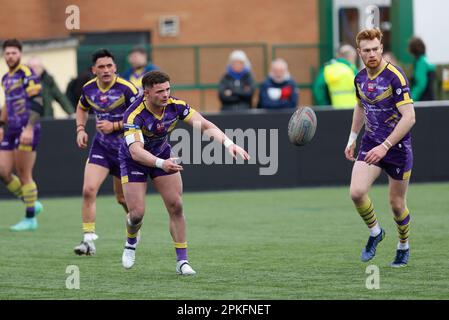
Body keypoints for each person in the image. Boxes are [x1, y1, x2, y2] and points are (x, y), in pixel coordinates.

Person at [119, 70, 250, 275]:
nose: (165, 94)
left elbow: (205, 125)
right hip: (134, 161)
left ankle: (182, 262)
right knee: (136, 214)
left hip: (163, 155)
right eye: (160, 91)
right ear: (146, 93)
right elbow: (136, 152)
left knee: (176, 205)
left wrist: (228, 143)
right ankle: (131, 241)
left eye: (168, 89)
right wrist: (161, 164)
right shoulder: (133, 114)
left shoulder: (176, 106)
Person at [345, 28, 416, 267]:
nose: (372, 54)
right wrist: (352, 137)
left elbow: (410, 117)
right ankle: (376, 232)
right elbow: (360, 106)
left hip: (396, 149)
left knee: (397, 205)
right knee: (356, 192)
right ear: (359, 53)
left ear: (381, 48)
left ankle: (403, 246)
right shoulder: (360, 78)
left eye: (375, 49)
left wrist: (386, 146)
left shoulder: (395, 77)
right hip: (371, 143)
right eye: (367, 50)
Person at [74, 49, 140, 255]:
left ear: (115, 67)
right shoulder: (88, 89)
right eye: (101, 67)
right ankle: (88, 241)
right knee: (88, 190)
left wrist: (115, 125)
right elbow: (81, 107)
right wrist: (80, 129)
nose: (106, 70)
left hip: (125, 150)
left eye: (109, 66)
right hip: (101, 146)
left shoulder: (127, 89)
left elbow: (140, 118)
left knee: (122, 199)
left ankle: (134, 227)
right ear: (94, 70)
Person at [0, 39, 44, 231]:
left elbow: (38, 102)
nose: (11, 56)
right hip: (11, 129)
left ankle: (30, 218)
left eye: (14, 53)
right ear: (4, 55)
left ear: (20, 54)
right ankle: (31, 202)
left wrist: (28, 128)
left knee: (24, 174)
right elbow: (7, 104)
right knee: (3, 171)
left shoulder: (27, 73)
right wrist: (1, 124)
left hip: (27, 129)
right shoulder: (5, 78)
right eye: (7, 53)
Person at [313, 44, 358, 109]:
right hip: (353, 110)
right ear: (351, 57)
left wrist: (325, 105)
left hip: (335, 110)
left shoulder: (327, 68)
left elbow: (318, 89)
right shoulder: (352, 69)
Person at [408, 37, 436, 101]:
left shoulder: (421, 63)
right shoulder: (426, 61)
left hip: (423, 101)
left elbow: (420, 84)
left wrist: (411, 100)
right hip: (430, 99)